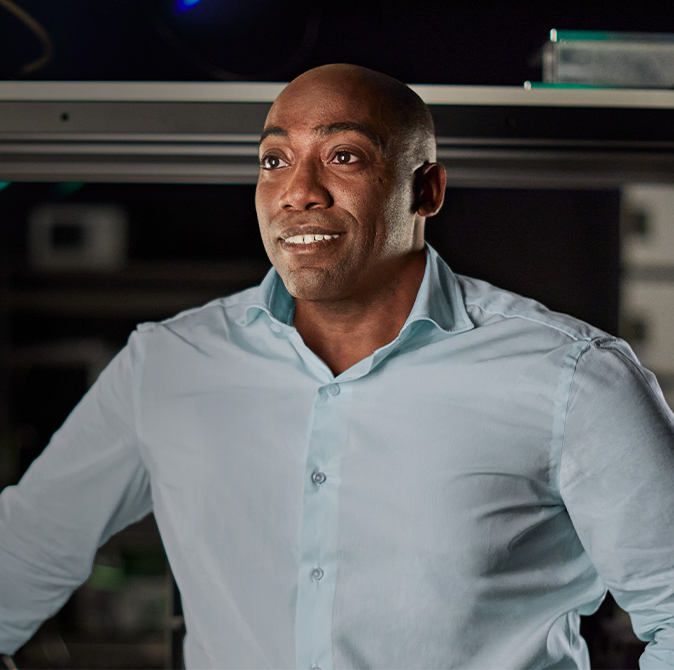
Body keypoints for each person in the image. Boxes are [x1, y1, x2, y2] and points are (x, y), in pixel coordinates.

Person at [1, 63, 673, 670]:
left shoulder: (575, 377)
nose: (299, 192)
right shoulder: (168, 365)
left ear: (426, 191)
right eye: (274, 161)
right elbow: (20, 563)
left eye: (344, 156)